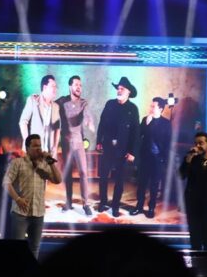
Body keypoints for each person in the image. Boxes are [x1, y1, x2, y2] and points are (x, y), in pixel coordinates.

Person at [3, 134, 61, 258]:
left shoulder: (45, 164)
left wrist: (50, 162)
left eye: (39, 146)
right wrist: (17, 199)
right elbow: (6, 183)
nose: (38, 148)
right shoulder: (17, 162)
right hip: (20, 213)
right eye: (35, 146)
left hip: (38, 213)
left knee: (34, 248)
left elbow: (58, 180)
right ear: (27, 148)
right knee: (17, 248)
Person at [96, 76, 139, 217]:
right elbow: (102, 123)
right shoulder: (110, 104)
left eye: (122, 89)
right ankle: (103, 202)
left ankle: (115, 206)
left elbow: (135, 132)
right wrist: (98, 141)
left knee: (119, 181)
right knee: (103, 177)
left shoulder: (133, 109)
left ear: (128, 92)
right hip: (108, 147)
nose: (119, 91)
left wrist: (132, 152)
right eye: (118, 88)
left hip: (123, 150)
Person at [56, 74, 96, 215]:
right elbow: (49, 105)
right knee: (67, 173)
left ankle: (86, 204)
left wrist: (89, 122)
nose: (79, 87)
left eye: (80, 85)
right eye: (76, 84)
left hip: (79, 142)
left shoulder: (83, 103)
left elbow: (88, 116)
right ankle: (68, 202)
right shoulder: (62, 101)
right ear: (70, 87)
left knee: (83, 172)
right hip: (66, 143)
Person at [131, 97, 171, 218]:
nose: (151, 108)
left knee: (154, 185)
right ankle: (139, 206)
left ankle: (151, 208)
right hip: (145, 158)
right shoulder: (146, 119)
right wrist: (146, 124)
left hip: (158, 159)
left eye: (153, 106)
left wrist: (164, 159)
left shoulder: (166, 123)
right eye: (151, 106)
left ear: (160, 109)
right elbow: (138, 136)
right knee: (141, 183)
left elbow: (168, 143)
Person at [19, 74, 61, 154]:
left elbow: (57, 128)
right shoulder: (33, 100)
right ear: (45, 87)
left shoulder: (56, 107)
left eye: (56, 87)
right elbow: (23, 121)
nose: (55, 89)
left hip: (49, 152)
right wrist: (27, 141)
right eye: (53, 86)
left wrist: (55, 146)